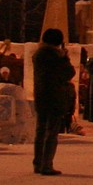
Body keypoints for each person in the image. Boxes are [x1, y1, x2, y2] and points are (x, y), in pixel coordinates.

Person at [32, 28, 75, 176]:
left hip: (41, 96)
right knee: (51, 132)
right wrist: (65, 58)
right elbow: (68, 73)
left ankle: (38, 162)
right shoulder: (56, 56)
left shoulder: (38, 54)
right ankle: (47, 164)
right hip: (55, 96)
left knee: (40, 130)